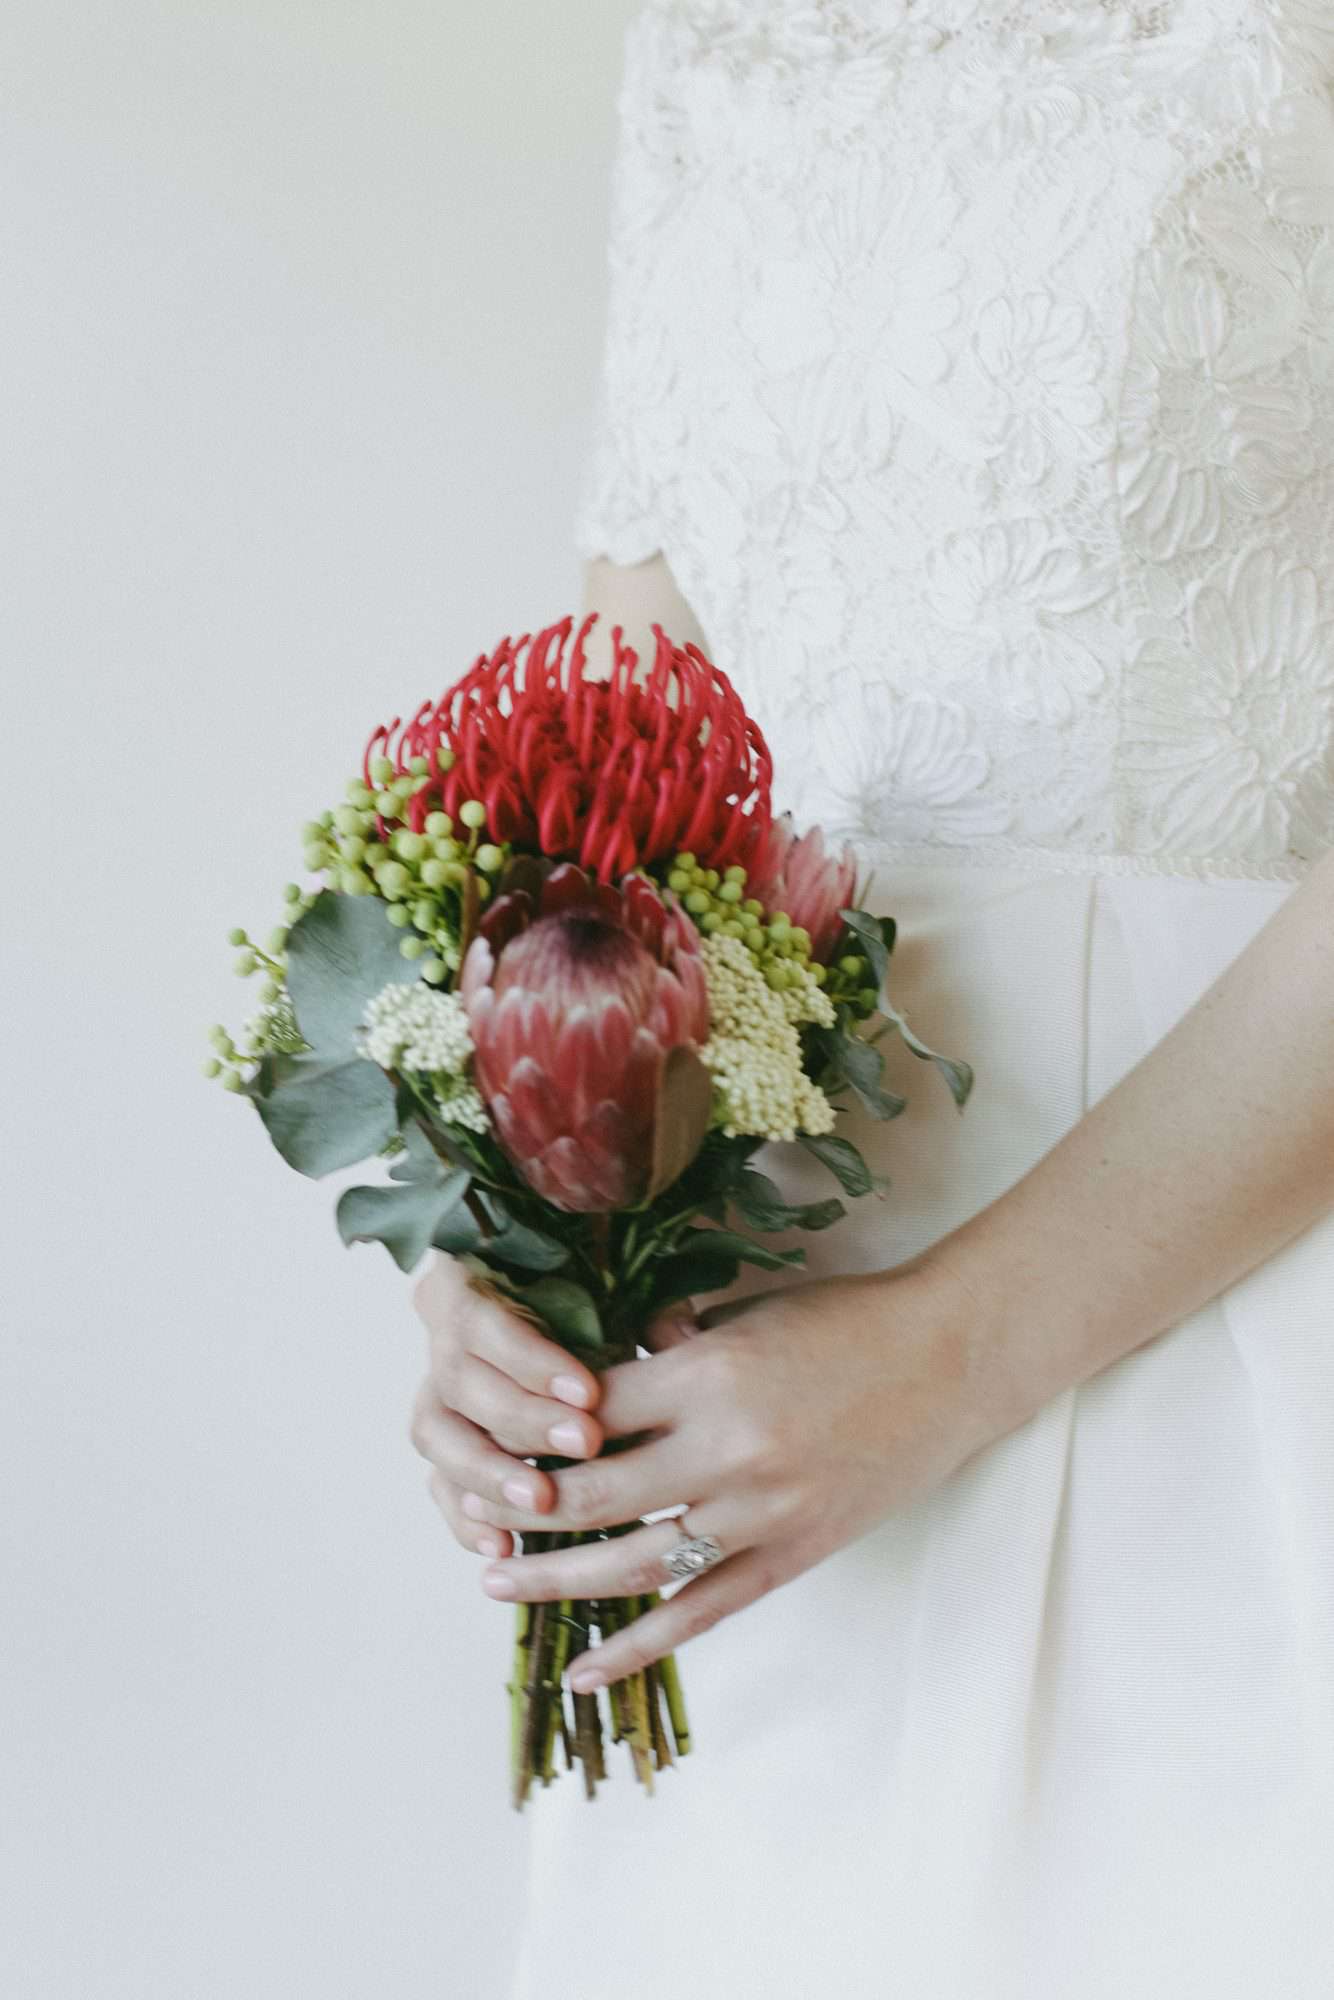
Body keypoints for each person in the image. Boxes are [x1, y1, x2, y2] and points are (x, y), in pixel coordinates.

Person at [409, 3, 1334, 1993]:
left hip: (1244, 1317)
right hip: (763, 1410)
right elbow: (629, 740)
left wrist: (940, 1359)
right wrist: (518, 1227)